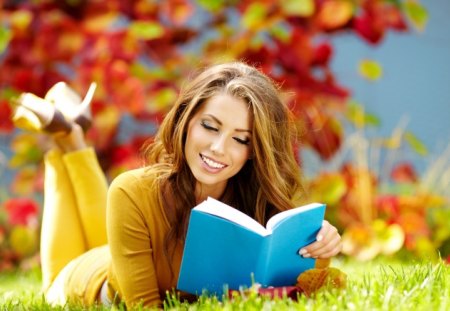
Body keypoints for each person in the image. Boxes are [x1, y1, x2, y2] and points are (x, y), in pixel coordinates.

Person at [12, 62, 342, 309]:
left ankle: (71, 131)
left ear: (256, 151)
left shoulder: (257, 205)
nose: (218, 148)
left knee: (113, 229)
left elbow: (296, 290)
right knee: (55, 279)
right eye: (210, 127)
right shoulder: (134, 191)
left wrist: (320, 246)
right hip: (88, 278)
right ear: (186, 120)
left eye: (240, 139)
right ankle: (65, 140)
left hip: (125, 253)